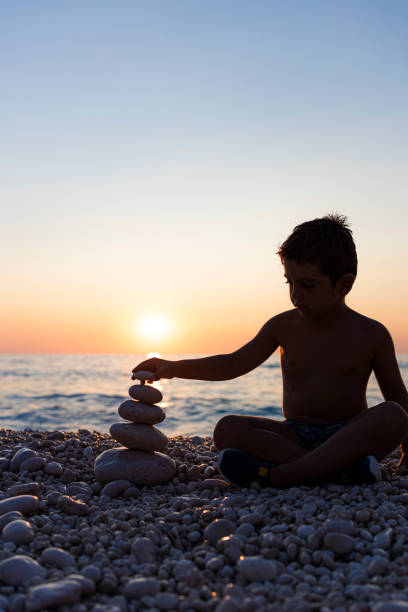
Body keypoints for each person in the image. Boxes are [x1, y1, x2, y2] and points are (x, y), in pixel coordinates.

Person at [132, 214, 408, 488]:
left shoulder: (371, 334)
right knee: (227, 428)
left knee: (393, 415)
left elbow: (397, 396)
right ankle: (338, 472)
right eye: (289, 282)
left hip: (347, 434)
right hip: (293, 435)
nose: (295, 295)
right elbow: (233, 364)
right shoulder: (283, 326)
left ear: (344, 284)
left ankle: (282, 476)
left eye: (308, 285)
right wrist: (172, 367)